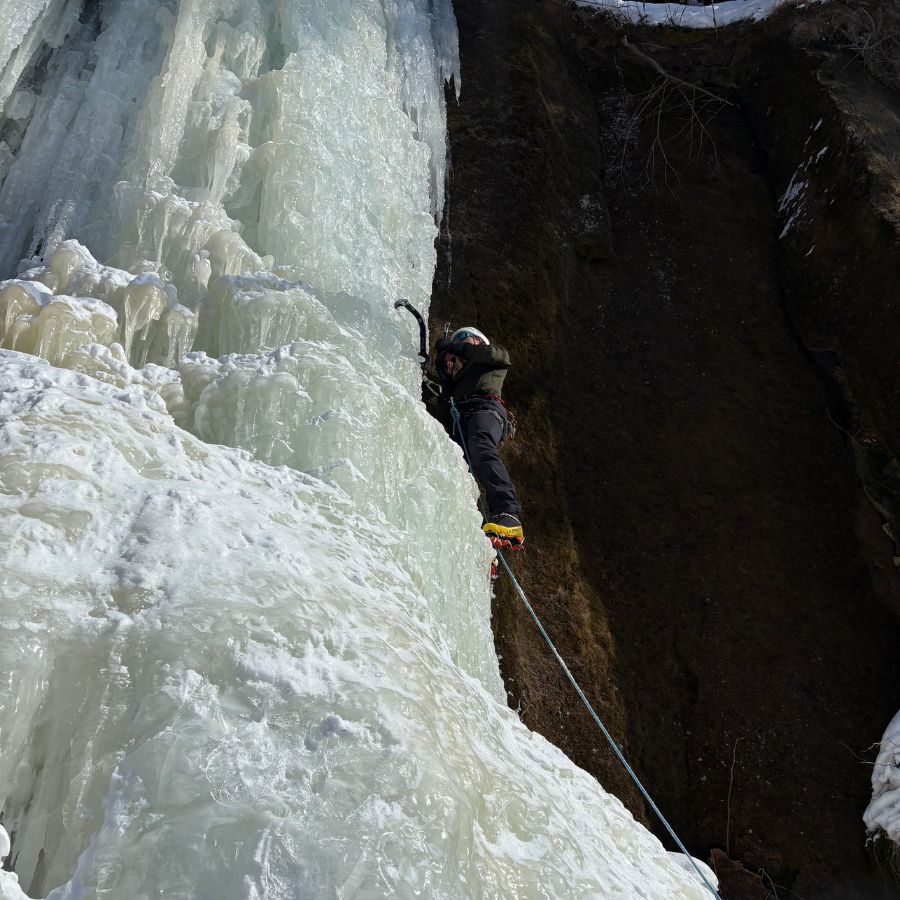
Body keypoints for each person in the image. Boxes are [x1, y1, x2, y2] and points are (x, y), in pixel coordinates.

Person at [435, 326, 524, 549]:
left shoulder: (496, 357)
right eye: (458, 339)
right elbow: (445, 408)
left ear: (480, 341)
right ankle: (479, 538)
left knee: (481, 444)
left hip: (486, 409)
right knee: (456, 469)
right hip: (461, 418)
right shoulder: (461, 378)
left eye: (465, 337)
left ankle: (508, 513)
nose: (461, 341)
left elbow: (487, 353)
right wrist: (445, 376)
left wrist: (455, 346)